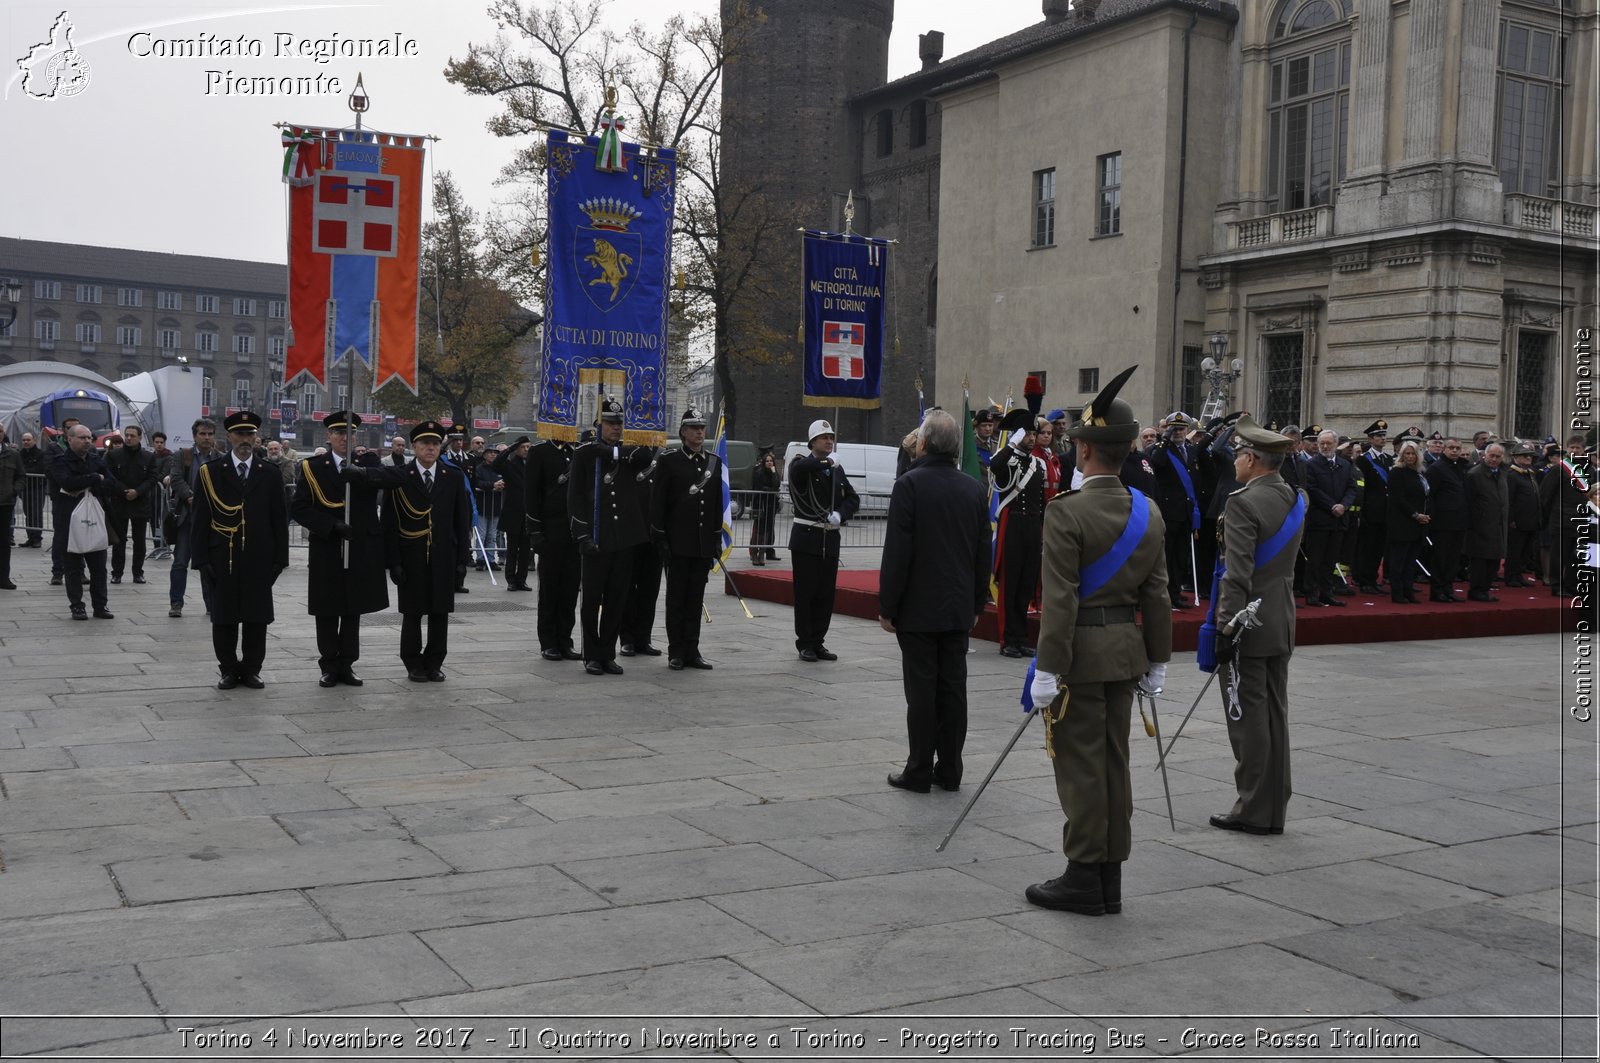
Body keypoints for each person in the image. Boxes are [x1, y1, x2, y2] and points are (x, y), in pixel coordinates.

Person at [1024, 366, 1171, 915]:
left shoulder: (1067, 512)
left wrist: (1045, 668)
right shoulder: (1148, 511)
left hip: (1081, 658)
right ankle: (1109, 874)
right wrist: (1158, 661)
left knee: (1082, 766)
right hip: (1128, 654)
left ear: (1084, 450)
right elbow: (1156, 596)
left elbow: (1060, 602)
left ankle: (1084, 875)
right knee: (1113, 762)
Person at [878, 409, 990, 793]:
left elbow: (898, 553)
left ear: (923, 444)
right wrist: (977, 604)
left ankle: (920, 769)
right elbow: (982, 554)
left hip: (918, 609)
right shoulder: (974, 488)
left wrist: (887, 607)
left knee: (922, 692)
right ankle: (951, 770)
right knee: (953, 691)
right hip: (958, 608)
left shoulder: (909, 485)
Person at [1207, 416, 1307, 836]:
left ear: (1251, 458)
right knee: (1274, 716)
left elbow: (1238, 574)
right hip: (1279, 619)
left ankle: (1253, 808)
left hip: (1247, 623)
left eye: (1237, 456)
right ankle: (1272, 806)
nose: (1234, 463)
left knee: (1247, 718)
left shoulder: (1243, 502)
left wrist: (1226, 628)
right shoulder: (1295, 496)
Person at [290, 411, 390, 688]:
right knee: (326, 608)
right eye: (339, 433)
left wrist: (362, 474)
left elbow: (392, 478)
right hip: (327, 546)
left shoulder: (367, 462)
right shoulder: (312, 466)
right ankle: (328, 665)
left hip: (357, 546)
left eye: (350, 433)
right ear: (329, 437)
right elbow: (299, 507)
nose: (345, 438)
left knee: (352, 608)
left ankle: (347, 664)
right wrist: (331, 525)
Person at [192, 411, 289, 688]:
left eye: (250, 434)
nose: (245, 440)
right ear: (229, 437)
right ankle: (228, 669)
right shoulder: (210, 473)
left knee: (256, 618)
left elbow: (278, 519)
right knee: (224, 617)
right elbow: (201, 518)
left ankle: (251, 669)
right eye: (240, 434)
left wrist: (280, 559)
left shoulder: (269, 473)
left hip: (259, 557)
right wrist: (200, 558)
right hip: (222, 555)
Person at [568, 398, 654, 674]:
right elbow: (575, 498)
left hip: (623, 538)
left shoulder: (629, 452)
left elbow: (645, 457)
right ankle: (592, 654)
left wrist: (611, 453)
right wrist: (582, 534)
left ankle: (608, 652)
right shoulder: (584, 454)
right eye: (610, 423)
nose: (616, 428)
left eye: (619, 424)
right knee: (592, 600)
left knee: (617, 598)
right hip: (596, 536)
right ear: (598, 425)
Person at [382, 421, 472, 682]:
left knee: (440, 612)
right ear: (414, 447)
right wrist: (393, 561)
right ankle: (412, 662)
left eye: (435, 444)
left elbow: (461, 520)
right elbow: (390, 521)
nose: (430, 448)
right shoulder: (401, 475)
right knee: (412, 612)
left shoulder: (452, 476)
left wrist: (461, 560)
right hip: (411, 555)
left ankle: (435, 661)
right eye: (425, 444)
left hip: (444, 554)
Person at [651, 408, 724, 670]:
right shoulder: (670, 461)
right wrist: (660, 537)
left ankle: (692, 649)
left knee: (695, 599)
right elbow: (658, 502)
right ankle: (676, 651)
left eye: (702, 428)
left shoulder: (713, 463)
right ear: (683, 433)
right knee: (677, 599)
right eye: (694, 428)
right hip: (677, 543)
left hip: (702, 543)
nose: (700, 432)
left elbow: (716, 504)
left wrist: (716, 538)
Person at [787, 419, 861, 662]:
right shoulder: (801, 464)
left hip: (829, 538)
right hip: (807, 537)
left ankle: (818, 641)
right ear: (812, 442)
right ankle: (805, 642)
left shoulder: (836, 469)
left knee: (825, 594)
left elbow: (853, 497)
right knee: (806, 592)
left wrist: (841, 513)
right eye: (824, 438)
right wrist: (826, 461)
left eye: (831, 438)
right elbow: (802, 470)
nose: (829, 441)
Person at [990, 408, 1046, 656]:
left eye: (1034, 434)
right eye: (1028, 434)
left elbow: (1041, 501)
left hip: (1032, 527)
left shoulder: (1037, 464)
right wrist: (1011, 446)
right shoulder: (1007, 458)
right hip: (1012, 525)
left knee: (1026, 584)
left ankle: (1021, 637)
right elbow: (994, 466)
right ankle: (1007, 640)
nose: (1032, 439)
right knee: (1010, 583)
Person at [48, 423, 116, 618]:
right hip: (69, 520)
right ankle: (77, 605)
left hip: (95, 516)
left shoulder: (96, 459)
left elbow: (111, 483)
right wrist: (95, 478)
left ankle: (100, 606)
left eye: (89, 438)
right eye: (82, 438)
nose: (87, 441)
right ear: (70, 439)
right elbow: (68, 483)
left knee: (99, 567)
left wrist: (91, 480)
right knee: (73, 567)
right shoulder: (60, 461)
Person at [527, 435, 584, 661]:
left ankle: (565, 640)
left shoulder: (579, 451)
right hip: (550, 531)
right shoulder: (540, 452)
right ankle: (549, 641)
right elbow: (531, 493)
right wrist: (534, 530)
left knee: (570, 589)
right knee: (550, 589)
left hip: (574, 532)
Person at [166, 418, 222, 619]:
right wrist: (191, 497)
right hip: (188, 518)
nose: (206, 438)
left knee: (210, 564)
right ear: (194, 436)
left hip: (213, 521)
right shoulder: (183, 455)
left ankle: (212, 604)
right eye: (202, 434)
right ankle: (176, 603)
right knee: (181, 562)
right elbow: (176, 479)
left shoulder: (220, 457)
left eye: (209, 434)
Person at [1148, 413, 1203, 609]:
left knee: (1181, 554)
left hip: (1187, 511)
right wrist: (1164, 438)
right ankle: (1165, 593)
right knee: (1167, 555)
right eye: (1174, 428)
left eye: (1181, 428)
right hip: (1169, 511)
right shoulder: (1161, 449)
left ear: (1188, 430)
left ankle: (1176, 591)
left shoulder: (1190, 449)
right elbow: (1156, 463)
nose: (1178, 432)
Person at [1301, 429, 1355, 607]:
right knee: (1315, 559)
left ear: (1335, 444)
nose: (1324, 446)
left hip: (1339, 521)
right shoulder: (1311, 465)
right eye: (1321, 443)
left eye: (1328, 443)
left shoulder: (1345, 464)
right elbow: (1312, 489)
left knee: (1331, 560)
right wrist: (1332, 505)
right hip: (1319, 520)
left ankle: (1327, 592)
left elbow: (1351, 488)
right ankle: (1312, 593)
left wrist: (1344, 505)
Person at [104, 424, 156, 585]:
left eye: (132, 435)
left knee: (139, 541)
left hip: (140, 503)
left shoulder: (148, 457)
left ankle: (138, 572)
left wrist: (138, 492)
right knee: (119, 541)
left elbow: (152, 478)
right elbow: (108, 475)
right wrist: (124, 491)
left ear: (140, 437)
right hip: (120, 502)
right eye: (127, 435)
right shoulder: (113, 455)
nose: (129, 438)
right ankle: (117, 573)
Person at [1540, 434, 1592, 597]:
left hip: (1582, 520)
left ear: (1584, 450)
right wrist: (1549, 516)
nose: (1574, 451)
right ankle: (1557, 585)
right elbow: (1546, 494)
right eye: (1572, 448)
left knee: (1576, 556)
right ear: (1567, 449)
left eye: (1578, 448)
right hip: (1561, 519)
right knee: (1559, 555)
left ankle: (1571, 584)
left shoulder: (1589, 470)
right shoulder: (1559, 469)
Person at [1424, 438, 1471, 601]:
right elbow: (1430, 496)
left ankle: (1448, 588)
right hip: (1442, 522)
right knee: (1440, 558)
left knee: (1454, 558)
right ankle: (1437, 590)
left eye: (1458, 448)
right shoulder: (1436, 468)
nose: (1455, 451)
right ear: (1444, 449)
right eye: (1451, 447)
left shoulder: (1464, 467)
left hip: (1460, 520)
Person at [1385, 438, 1431, 604]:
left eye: (1413, 453)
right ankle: (1398, 593)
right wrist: (1415, 514)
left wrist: (1424, 515)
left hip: (1417, 524)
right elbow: (1398, 498)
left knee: (1411, 562)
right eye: (1407, 453)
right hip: (1402, 522)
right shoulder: (1397, 472)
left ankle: (1408, 590)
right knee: (1399, 561)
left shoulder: (1420, 473)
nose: (1410, 456)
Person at [1463, 442, 1509, 602]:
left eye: (1498, 457)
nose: (1494, 459)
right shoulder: (1474, 474)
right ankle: (1476, 590)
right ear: (1484, 455)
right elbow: (1468, 502)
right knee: (1480, 562)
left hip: (1497, 525)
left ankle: (1485, 589)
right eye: (1492, 456)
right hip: (1480, 526)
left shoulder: (1502, 473)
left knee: (1493, 561)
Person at [1353, 420, 1392, 594]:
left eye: (1384, 435)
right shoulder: (1363, 460)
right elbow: (1361, 487)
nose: (1382, 439)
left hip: (1385, 511)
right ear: (1370, 439)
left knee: (1378, 548)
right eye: (1378, 436)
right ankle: (1364, 580)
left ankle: (1373, 578)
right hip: (1370, 509)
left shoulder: (1388, 459)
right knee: (1367, 547)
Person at [497, 437, 534, 591]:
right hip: (513, 512)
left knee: (526, 550)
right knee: (512, 549)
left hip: (528, 513)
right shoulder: (510, 464)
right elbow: (496, 464)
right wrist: (509, 449)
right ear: (517, 449)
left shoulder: (533, 464)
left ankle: (522, 579)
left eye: (528, 447)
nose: (526, 449)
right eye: (523, 447)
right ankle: (511, 579)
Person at [1505, 442, 1542, 586]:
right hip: (1518, 521)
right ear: (1515, 457)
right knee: (1515, 550)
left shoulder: (1530, 474)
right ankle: (1511, 576)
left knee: (1525, 551)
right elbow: (1509, 499)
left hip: (1531, 520)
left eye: (1531, 456)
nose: (1528, 458)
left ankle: (1519, 574)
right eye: (1524, 455)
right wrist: (1511, 519)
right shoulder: (1512, 475)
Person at [0, 427, 24, 588]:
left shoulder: (13, 454)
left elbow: (21, 476)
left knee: (3, 542)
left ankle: (3, 578)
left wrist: (14, 491)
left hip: (5, 503)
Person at [748, 447, 781, 565]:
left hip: (771, 505)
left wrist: (773, 472)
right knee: (759, 530)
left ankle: (762, 553)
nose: (769, 463)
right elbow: (760, 487)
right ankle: (755, 554)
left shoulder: (774, 473)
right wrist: (770, 489)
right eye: (767, 461)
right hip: (760, 504)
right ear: (763, 462)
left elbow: (776, 485)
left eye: (771, 461)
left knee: (767, 530)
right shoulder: (758, 472)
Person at [474, 446, 503, 570]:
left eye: (495, 453)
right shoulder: (479, 468)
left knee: (492, 534)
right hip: (482, 505)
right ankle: (480, 560)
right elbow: (477, 483)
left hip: (495, 505)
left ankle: (491, 560)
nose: (492, 455)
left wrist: (502, 485)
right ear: (484, 455)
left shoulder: (500, 468)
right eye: (490, 453)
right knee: (482, 534)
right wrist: (492, 485)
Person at [17, 431, 46, 548]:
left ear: (34, 440)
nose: (26, 442)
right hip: (25, 488)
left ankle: (37, 538)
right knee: (28, 513)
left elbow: (40, 469)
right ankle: (30, 537)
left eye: (28, 440)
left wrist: (25, 472)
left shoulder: (41, 454)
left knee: (36, 513)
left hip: (37, 487)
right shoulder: (20, 454)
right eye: (24, 440)